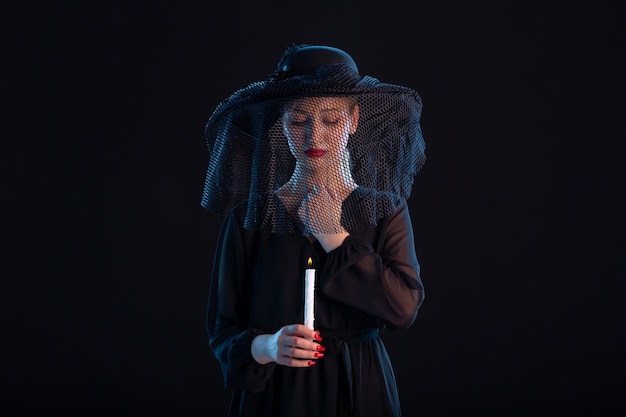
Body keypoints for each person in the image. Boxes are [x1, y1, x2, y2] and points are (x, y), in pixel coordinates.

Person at [201, 44, 427, 417]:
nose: (314, 136)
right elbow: (222, 327)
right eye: (298, 120)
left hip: (359, 392)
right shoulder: (250, 215)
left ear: (354, 121)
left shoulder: (385, 209)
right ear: (280, 123)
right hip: (274, 395)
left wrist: (332, 235)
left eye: (331, 120)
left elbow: (403, 308)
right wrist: (268, 346)